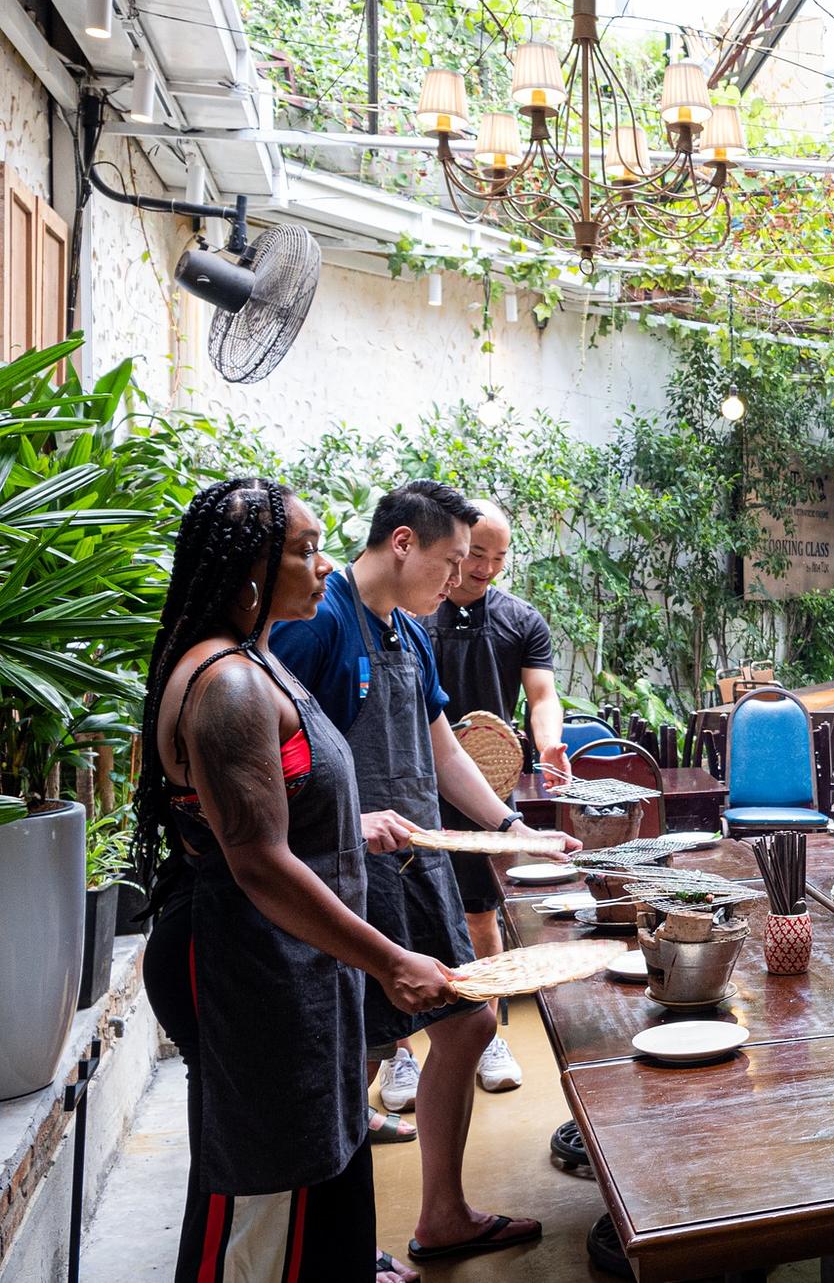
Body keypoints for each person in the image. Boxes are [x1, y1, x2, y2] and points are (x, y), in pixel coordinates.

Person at [136, 479, 457, 1283]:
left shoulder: (257, 656)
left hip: (294, 959)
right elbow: (257, 860)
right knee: (264, 1184)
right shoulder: (230, 685)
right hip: (245, 961)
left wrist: (348, 825)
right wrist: (389, 958)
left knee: (321, 1152)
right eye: (303, 550)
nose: (324, 567)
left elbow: (260, 812)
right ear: (248, 567)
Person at [270, 480, 575, 1265]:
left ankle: (440, 1214)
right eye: (451, 562)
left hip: (421, 864)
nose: (461, 579)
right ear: (403, 543)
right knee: (357, 1052)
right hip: (348, 878)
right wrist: (346, 825)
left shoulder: (409, 629)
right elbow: (275, 766)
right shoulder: (321, 624)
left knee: (468, 1020)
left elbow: (442, 751)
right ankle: (343, 1252)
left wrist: (511, 828)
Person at [419, 500, 568, 1096]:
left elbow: (541, 696)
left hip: (483, 790)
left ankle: (490, 1034)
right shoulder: (413, 615)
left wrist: (550, 743)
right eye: (476, 554)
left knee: (481, 912)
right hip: (411, 784)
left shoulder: (521, 620)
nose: (485, 568)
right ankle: (402, 1052)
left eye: (499, 557)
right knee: (401, 916)